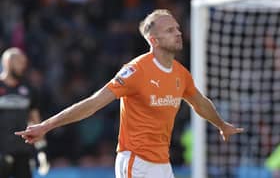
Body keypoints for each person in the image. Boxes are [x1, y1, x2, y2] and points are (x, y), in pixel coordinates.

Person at [15, 9, 244, 178]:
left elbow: (200, 103)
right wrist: (45, 126)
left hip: (163, 164)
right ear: (154, 41)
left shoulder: (180, 74)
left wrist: (221, 124)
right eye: (170, 30)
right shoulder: (135, 71)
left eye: (177, 28)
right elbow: (93, 103)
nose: (179, 32)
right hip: (136, 162)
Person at [0, 47, 43, 178]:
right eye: (19, 62)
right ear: (8, 62)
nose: (23, 66)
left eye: (24, 63)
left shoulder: (29, 89)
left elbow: (36, 121)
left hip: (22, 153)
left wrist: (41, 150)